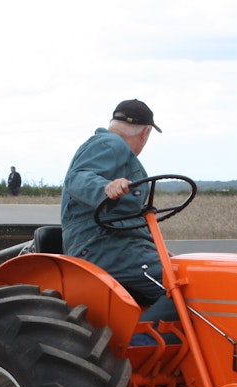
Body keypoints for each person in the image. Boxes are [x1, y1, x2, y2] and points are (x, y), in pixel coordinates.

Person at [60, 99, 167, 311]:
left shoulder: (109, 145)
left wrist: (160, 251)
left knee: (177, 272)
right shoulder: (109, 145)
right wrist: (106, 187)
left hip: (113, 245)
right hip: (102, 245)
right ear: (145, 133)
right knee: (184, 286)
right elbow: (78, 178)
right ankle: (144, 341)